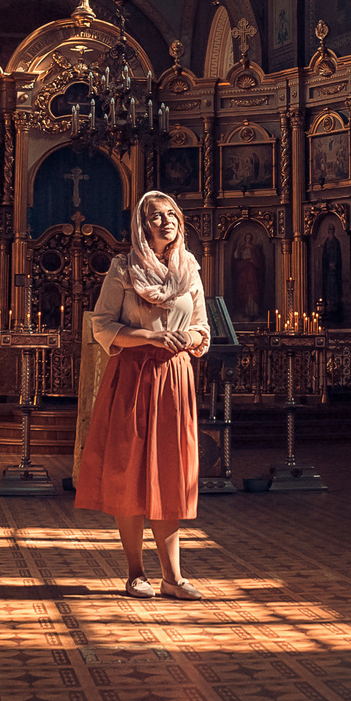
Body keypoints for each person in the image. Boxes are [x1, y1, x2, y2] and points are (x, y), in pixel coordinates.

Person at [75, 191, 212, 600]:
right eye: (157, 216)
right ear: (142, 225)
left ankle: (173, 576)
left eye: (172, 214)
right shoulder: (123, 269)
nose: (166, 221)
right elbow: (101, 325)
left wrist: (189, 337)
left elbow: (203, 329)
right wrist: (149, 336)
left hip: (174, 377)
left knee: (171, 472)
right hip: (133, 375)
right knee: (130, 472)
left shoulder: (190, 269)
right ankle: (136, 572)